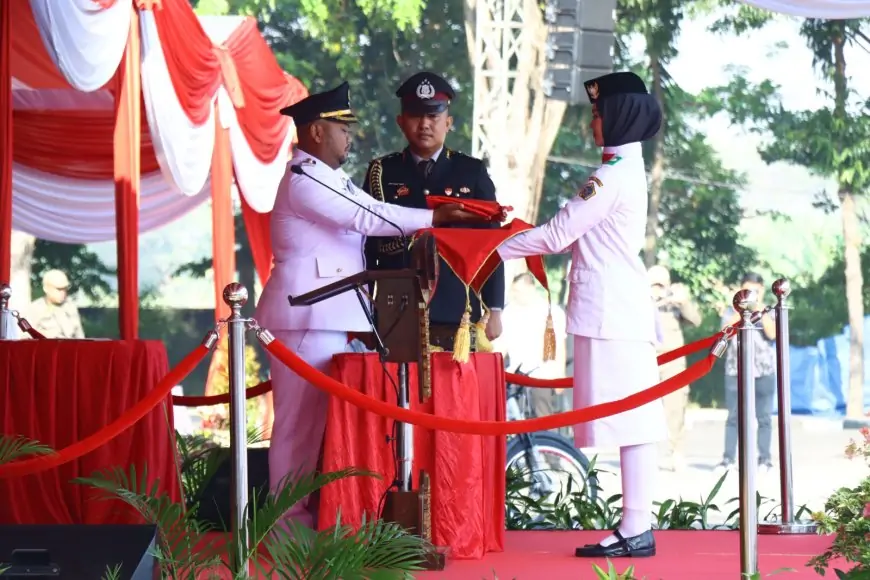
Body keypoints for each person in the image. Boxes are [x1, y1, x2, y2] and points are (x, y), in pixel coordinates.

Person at [254, 81, 492, 529]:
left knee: (321, 430)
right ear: (316, 131)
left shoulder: (327, 177)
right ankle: (284, 526)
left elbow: (363, 214)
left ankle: (308, 518)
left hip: (331, 314)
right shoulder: (304, 180)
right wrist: (433, 218)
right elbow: (368, 216)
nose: (350, 138)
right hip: (306, 315)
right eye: (342, 129)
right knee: (296, 430)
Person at [496, 71, 664, 558]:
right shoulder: (621, 169)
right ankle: (636, 525)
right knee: (634, 419)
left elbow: (555, 236)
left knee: (634, 420)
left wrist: (490, 249)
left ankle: (636, 528)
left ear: (618, 117)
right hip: (614, 309)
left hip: (611, 312)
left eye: (597, 112)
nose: (593, 121)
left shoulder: (609, 178)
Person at [362, 71, 506, 349]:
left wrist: (495, 307)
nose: (425, 124)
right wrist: (365, 310)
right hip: (396, 308)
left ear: (448, 123)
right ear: (401, 122)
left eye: (434, 117)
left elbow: (491, 244)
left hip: (458, 310)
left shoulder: (471, 171)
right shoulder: (382, 171)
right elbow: (366, 247)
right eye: (416, 116)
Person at [716, 271, 777, 474]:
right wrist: (740, 310)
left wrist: (758, 309)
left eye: (755, 291)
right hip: (736, 369)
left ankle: (765, 460)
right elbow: (724, 332)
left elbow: (772, 333)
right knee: (733, 416)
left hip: (764, 370)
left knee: (764, 417)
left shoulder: (768, 310)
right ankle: (727, 460)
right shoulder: (730, 311)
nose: (751, 295)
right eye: (747, 290)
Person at [649, 265, 702, 472]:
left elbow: (696, 320)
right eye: (654, 284)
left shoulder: (676, 301)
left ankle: (676, 452)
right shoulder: (641, 300)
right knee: (643, 408)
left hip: (673, 361)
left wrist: (684, 302)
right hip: (647, 359)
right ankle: (645, 453)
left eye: (662, 284)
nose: (658, 288)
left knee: (675, 408)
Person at [497, 272, 568, 424]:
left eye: (518, 292)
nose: (515, 295)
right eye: (513, 291)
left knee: (544, 421)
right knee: (516, 422)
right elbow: (501, 346)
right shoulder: (508, 312)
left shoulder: (552, 311)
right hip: (515, 376)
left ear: (531, 288)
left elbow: (560, 346)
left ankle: (548, 448)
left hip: (543, 375)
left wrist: (560, 375)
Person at [25, 269, 84, 339]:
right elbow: (26, 339)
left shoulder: (70, 308)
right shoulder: (35, 309)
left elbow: (80, 337)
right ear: (46, 288)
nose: (63, 293)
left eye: (64, 289)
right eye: (59, 289)